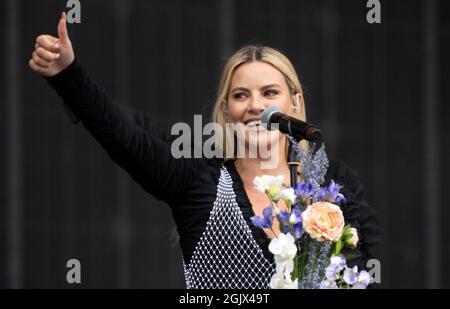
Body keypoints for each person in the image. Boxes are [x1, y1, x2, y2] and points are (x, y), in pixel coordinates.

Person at [29, 13, 380, 289]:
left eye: (270, 93)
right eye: (241, 95)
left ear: (295, 101)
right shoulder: (200, 179)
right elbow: (125, 136)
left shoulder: (335, 183)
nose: (255, 106)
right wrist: (69, 76)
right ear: (226, 111)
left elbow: (360, 275)